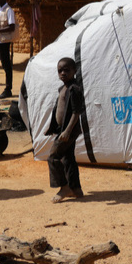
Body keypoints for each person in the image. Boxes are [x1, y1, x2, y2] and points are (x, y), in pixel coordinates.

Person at [45, 57, 85, 203]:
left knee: (53, 156)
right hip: (63, 130)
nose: (62, 73)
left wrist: (67, 131)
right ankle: (76, 189)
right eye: (60, 71)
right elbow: (59, 109)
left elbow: (76, 112)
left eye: (66, 70)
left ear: (75, 71)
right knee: (68, 159)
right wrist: (52, 127)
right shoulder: (63, 88)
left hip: (69, 131)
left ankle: (64, 187)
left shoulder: (75, 89)